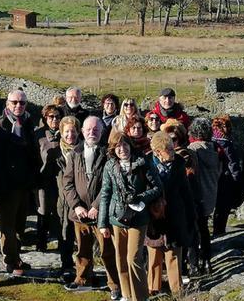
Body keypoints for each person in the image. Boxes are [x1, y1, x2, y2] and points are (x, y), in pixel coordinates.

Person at [98, 130, 163, 301]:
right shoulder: (110, 166)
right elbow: (105, 194)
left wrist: (141, 198)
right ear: (113, 149)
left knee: (133, 257)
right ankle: (127, 295)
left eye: (124, 144)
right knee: (120, 259)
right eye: (117, 146)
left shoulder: (143, 162)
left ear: (130, 145)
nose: (122, 149)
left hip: (138, 218)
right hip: (116, 218)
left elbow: (157, 187)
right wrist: (102, 224)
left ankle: (141, 297)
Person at [63, 120, 121, 299]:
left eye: (96, 129)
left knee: (107, 250)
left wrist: (97, 206)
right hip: (79, 213)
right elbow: (67, 182)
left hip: (101, 214)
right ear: (82, 131)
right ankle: (82, 279)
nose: (92, 132)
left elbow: (109, 184)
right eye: (88, 129)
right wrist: (77, 205)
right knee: (82, 249)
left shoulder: (108, 154)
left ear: (102, 131)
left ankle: (115, 284)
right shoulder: (74, 153)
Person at [0, 89, 40, 275]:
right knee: (7, 226)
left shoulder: (28, 124)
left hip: (24, 185)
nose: (18, 106)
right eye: (14, 102)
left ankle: (16, 257)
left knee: (19, 225)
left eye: (22, 103)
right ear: (7, 103)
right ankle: (10, 261)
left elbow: (33, 153)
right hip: (6, 186)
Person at [146, 132, 196, 296]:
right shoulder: (146, 163)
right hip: (154, 216)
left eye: (173, 148)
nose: (173, 152)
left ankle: (177, 290)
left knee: (174, 254)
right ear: (157, 152)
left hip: (175, 214)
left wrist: (190, 214)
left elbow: (186, 191)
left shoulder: (179, 163)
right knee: (154, 255)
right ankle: (153, 289)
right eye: (169, 150)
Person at [186, 118, 219, 274]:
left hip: (196, 195)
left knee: (194, 230)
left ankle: (194, 264)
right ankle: (207, 260)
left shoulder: (193, 149)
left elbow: (190, 173)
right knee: (204, 229)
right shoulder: (214, 149)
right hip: (210, 194)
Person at [35, 104, 63, 253]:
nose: (54, 119)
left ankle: (62, 243)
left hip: (61, 179)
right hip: (43, 180)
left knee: (60, 211)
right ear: (45, 118)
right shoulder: (38, 135)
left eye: (57, 116)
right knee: (43, 210)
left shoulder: (66, 133)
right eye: (51, 117)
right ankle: (41, 243)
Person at [54, 116, 80, 276]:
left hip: (81, 198)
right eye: (67, 131)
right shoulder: (56, 152)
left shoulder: (84, 149)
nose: (70, 135)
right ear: (61, 133)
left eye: (73, 131)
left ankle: (85, 267)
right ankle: (67, 265)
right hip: (62, 199)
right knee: (65, 232)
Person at [211, 114, 243, 236]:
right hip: (225, 180)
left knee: (217, 209)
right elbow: (232, 163)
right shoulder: (225, 143)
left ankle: (216, 232)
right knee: (222, 209)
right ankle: (219, 233)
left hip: (214, 179)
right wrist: (237, 180)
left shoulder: (212, 141)